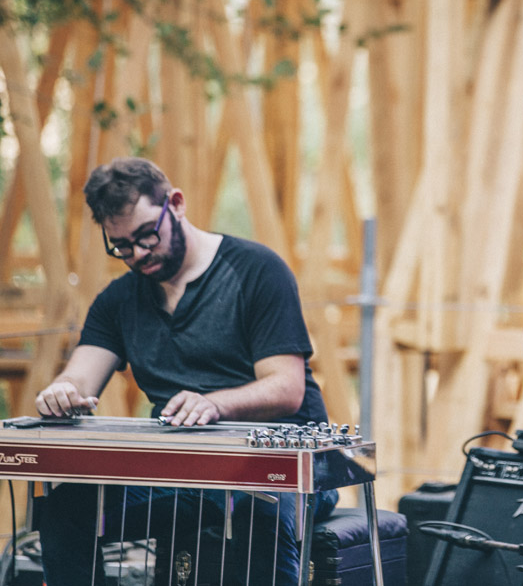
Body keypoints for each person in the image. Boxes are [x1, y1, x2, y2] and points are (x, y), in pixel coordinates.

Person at [34, 157, 337, 585]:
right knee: (66, 510)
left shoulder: (256, 271)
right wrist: (62, 391)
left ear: (175, 203)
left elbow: (287, 388)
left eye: (146, 235)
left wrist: (213, 404)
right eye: (121, 245)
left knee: (257, 509)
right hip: (184, 476)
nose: (137, 254)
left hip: (280, 471)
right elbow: (81, 375)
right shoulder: (118, 301)